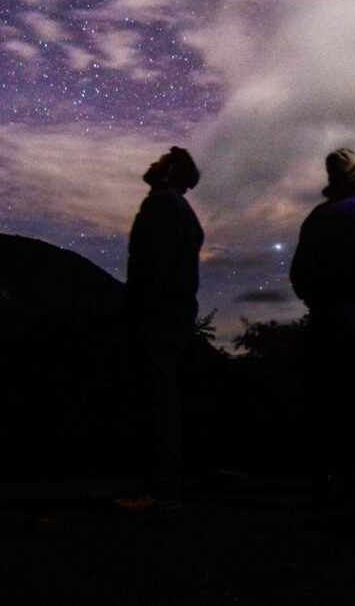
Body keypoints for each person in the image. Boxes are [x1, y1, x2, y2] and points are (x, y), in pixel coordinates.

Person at [290, 148, 355, 506]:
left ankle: (321, 478)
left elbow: (299, 272)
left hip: (324, 321)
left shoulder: (317, 217)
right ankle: (352, 482)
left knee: (324, 403)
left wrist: (316, 300)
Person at [123, 146, 204, 511]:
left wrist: (139, 309)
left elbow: (150, 266)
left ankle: (159, 489)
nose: (152, 162)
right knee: (167, 396)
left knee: (157, 399)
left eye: (161, 160)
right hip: (176, 313)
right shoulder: (184, 212)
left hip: (157, 314)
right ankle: (166, 483)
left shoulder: (160, 205)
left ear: (169, 172)